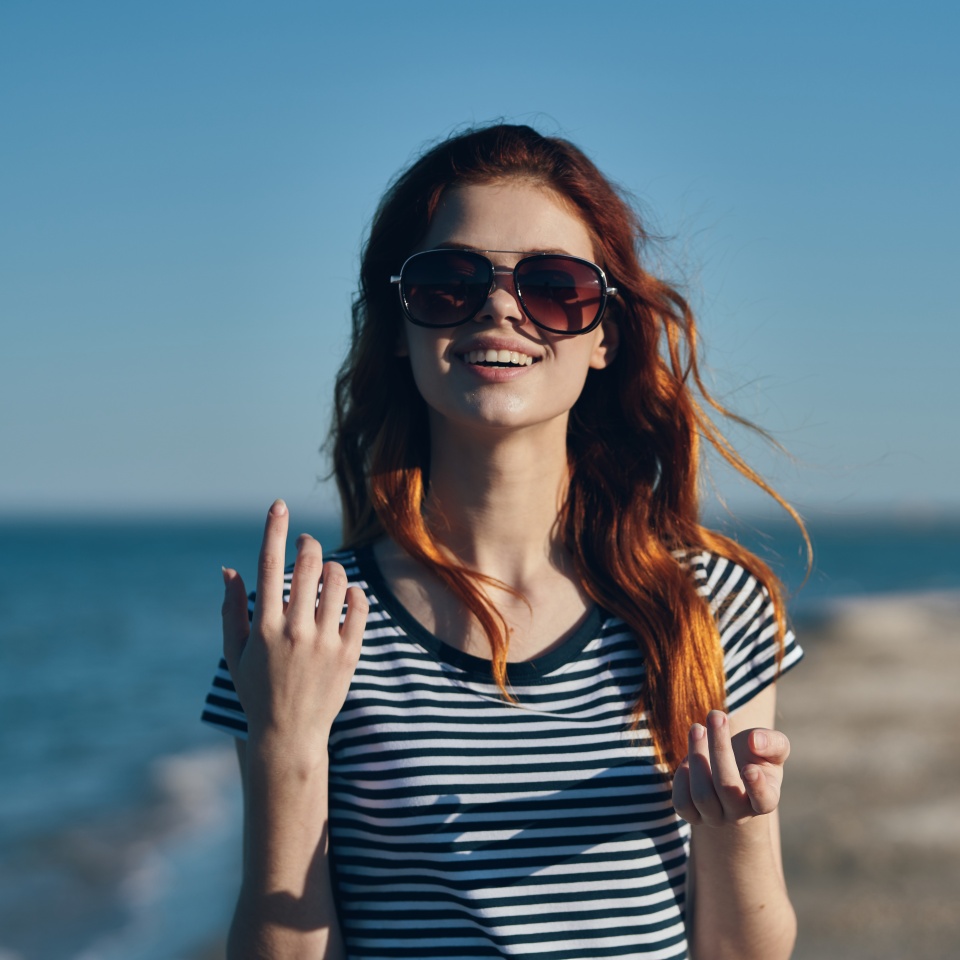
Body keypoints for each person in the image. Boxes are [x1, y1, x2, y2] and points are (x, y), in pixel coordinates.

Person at [202, 123, 805, 960]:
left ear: (605, 336)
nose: (500, 308)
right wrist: (288, 746)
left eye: (555, 286)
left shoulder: (710, 605)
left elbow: (744, 950)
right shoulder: (311, 627)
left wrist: (735, 822)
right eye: (449, 283)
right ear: (401, 321)